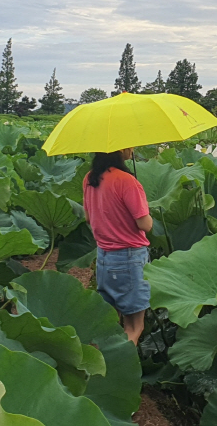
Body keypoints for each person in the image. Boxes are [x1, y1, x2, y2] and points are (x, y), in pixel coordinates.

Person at [82, 147, 153, 346]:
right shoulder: (127, 181)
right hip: (129, 259)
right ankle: (122, 370)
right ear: (119, 148)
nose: (132, 148)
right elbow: (145, 225)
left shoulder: (90, 178)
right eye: (129, 145)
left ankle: (104, 369)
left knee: (111, 326)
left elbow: (88, 218)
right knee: (134, 327)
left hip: (104, 258)